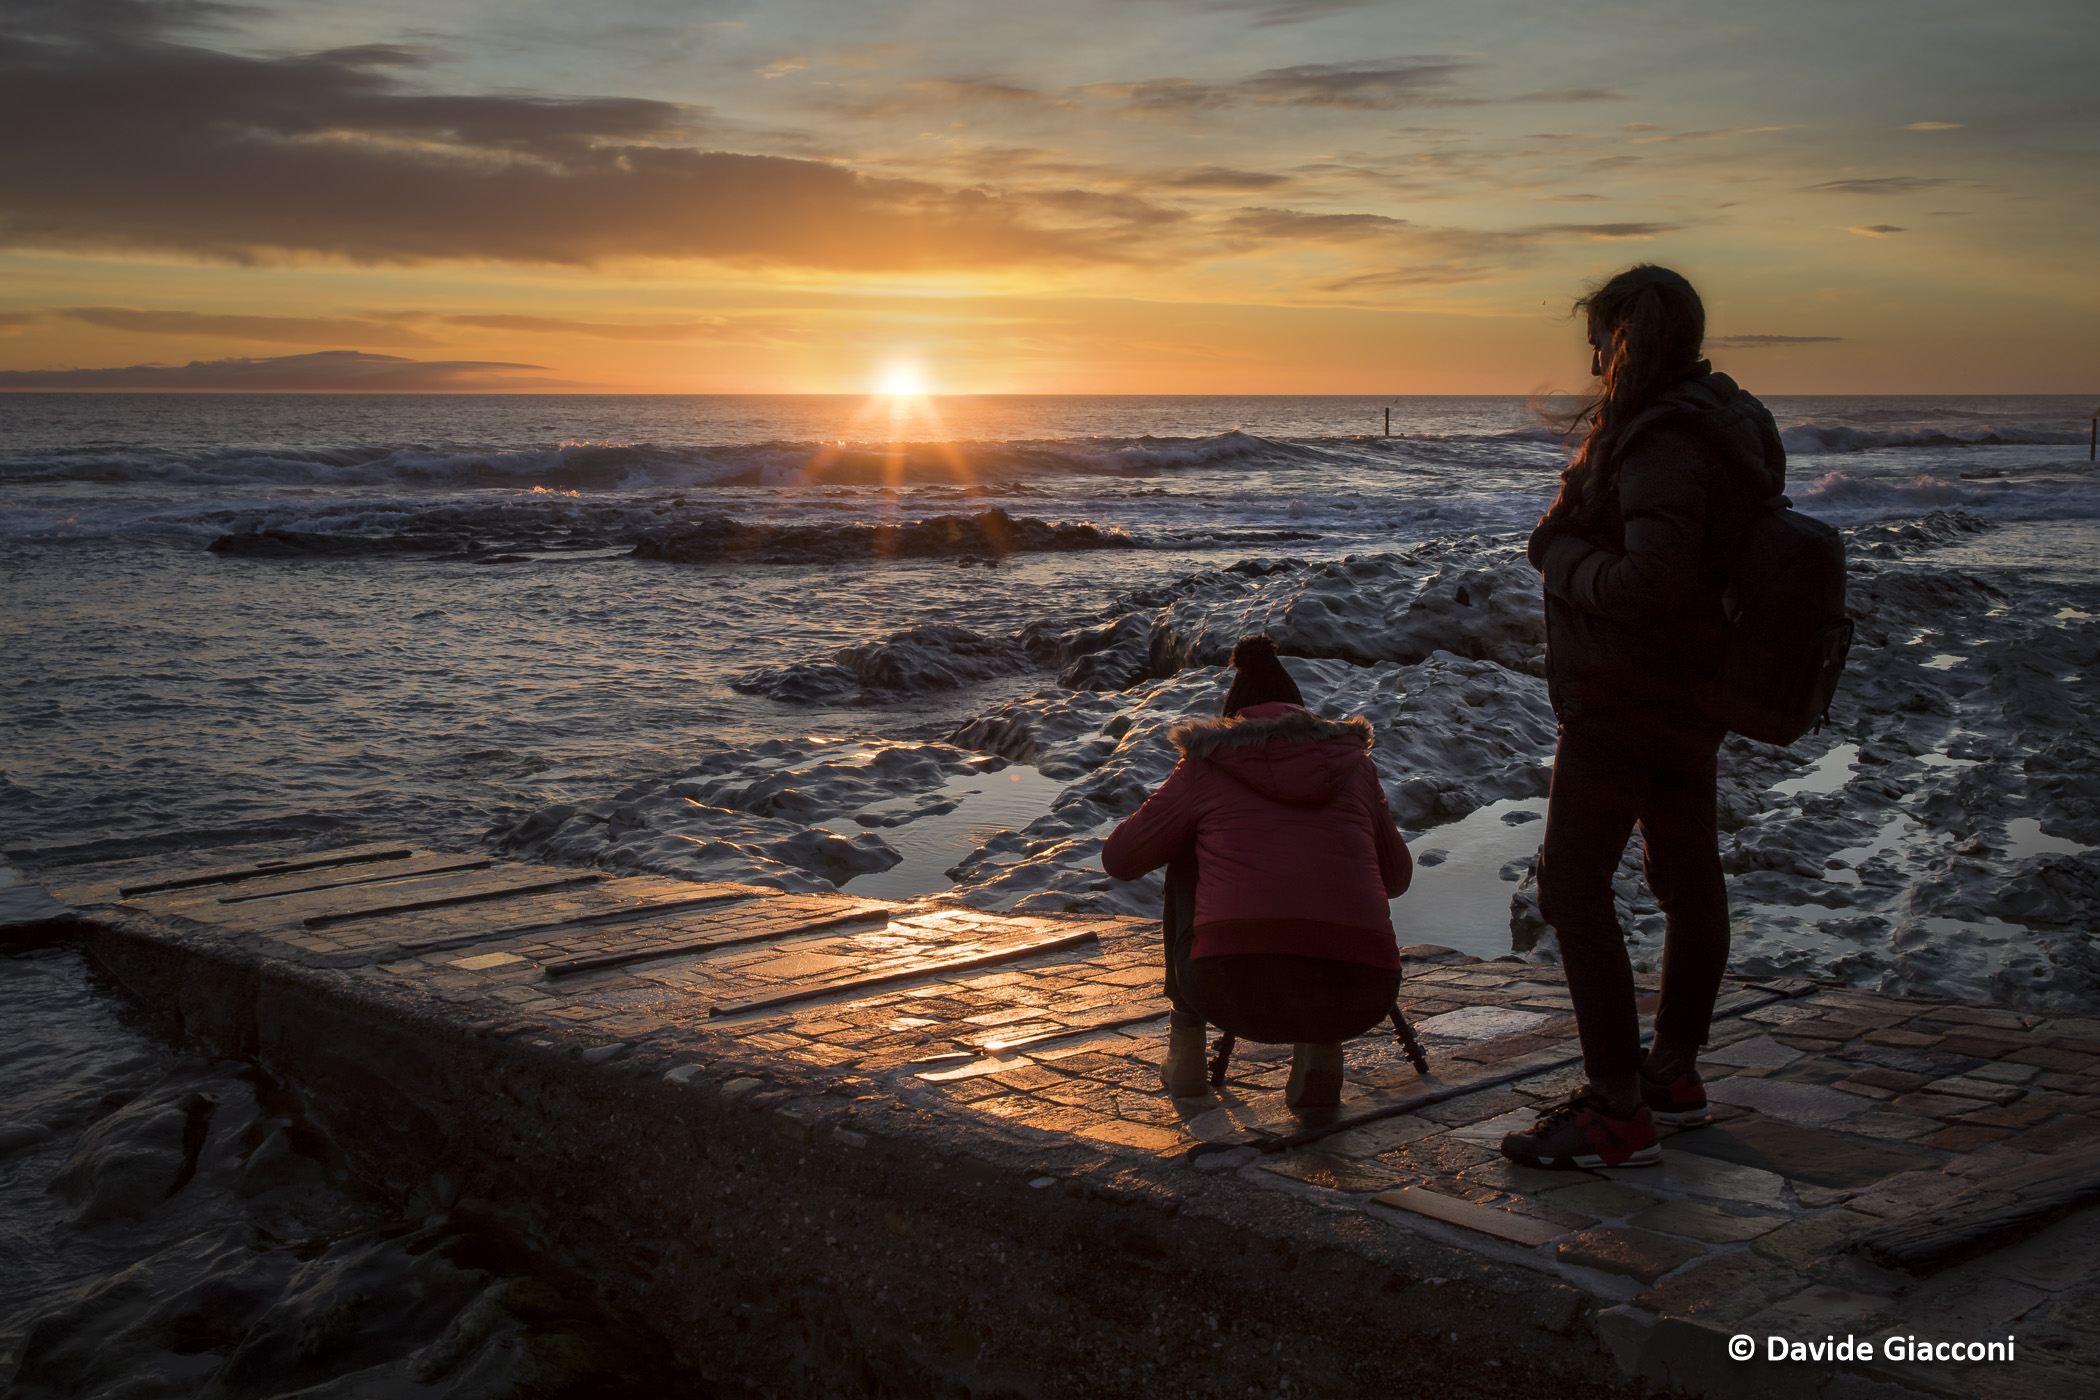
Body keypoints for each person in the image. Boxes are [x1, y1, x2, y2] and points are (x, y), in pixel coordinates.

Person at [1499, 264, 1786, 1170]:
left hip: (1625, 697)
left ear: (1625, 341)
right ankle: (1672, 1075)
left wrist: (1561, 556)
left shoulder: (1662, 439)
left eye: (1599, 342)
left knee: (1572, 888)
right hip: (1689, 694)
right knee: (1686, 877)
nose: (1588, 361)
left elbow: (1652, 578)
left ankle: (1617, 1110)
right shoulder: (1729, 423)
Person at [1101, 636, 1412, 1109]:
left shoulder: (1206, 763)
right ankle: (1322, 1053)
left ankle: (1185, 1055)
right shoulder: (1355, 767)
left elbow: (1120, 860)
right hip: (1362, 991)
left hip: (1231, 988)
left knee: (1187, 853)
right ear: (1303, 717)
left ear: (1232, 719)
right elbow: (1396, 880)